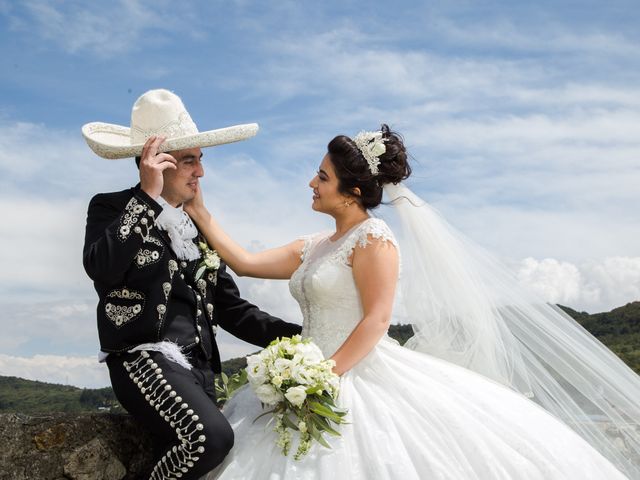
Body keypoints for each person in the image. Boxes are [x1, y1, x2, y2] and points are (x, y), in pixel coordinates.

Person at [184, 125, 640, 479]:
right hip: (303, 376)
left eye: (322, 177)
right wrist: (198, 209)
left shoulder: (374, 239)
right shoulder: (313, 245)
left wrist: (325, 375)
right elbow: (243, 262)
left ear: (354, 191)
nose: (312, 182)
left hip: (350, 373)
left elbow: (377, 319)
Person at [81, 89, 301, 480]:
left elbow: (232, 309)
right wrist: (147, 198)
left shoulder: (193, 227)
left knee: (198, 459)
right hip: (142, 358)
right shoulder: (111, 207)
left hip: (200, 371)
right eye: (189, 161)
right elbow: (102, 267)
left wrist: (303, 338)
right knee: (209, 440)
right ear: (156, 162)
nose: (200, 172)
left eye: (200, 160)